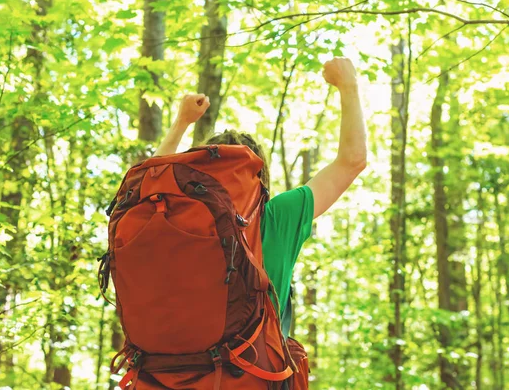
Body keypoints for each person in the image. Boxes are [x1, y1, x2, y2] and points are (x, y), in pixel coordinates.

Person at [153, 57, 367, 323]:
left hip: (172, 363)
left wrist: (181, 123)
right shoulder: (279, 216)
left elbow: (147, 183)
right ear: (261, 177)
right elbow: (352, 160)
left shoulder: (176, 216)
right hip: (255, 364)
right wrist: (349, 85)